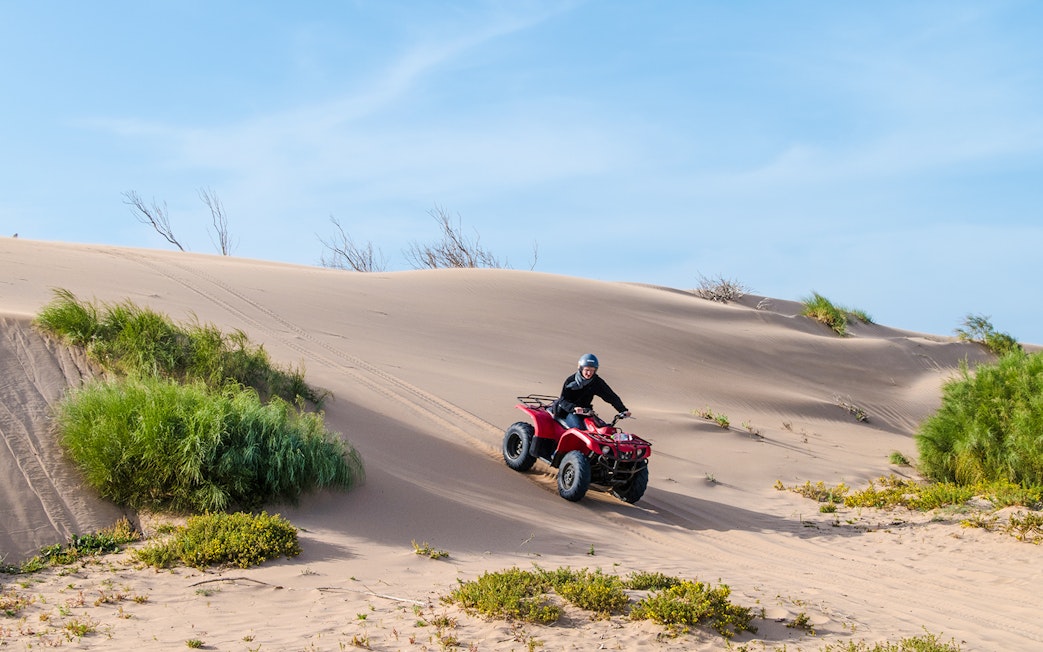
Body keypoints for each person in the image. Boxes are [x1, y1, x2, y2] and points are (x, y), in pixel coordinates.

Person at [555, 353, 630, 430]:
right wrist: (574, 408)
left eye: (592, 370)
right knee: (579, 429)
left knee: (602, 428)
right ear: (581, 368)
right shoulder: (571, 381)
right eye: (587, 370)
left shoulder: (596, 382)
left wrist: (623, 410)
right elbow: (563, 400)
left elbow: (610, 396)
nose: (589, 373)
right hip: (568, 412)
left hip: (586, 412)